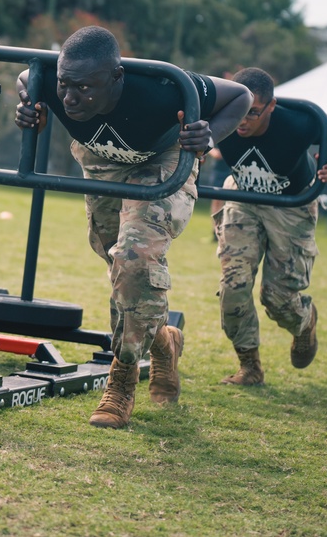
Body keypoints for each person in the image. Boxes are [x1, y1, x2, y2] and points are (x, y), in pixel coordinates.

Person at [15, 25, 251, 429]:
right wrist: (29, 106)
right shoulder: (53, 83)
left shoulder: (162, 87)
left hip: (159, 161)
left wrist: (209, 135)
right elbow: (26, 78)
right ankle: (164, 341)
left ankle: (121, 381)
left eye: (86, 88)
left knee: (133, 259)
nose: (70, 97)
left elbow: (240, 96)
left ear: (116, 77)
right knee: (122, 271)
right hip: (101, 160)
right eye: (64, 85)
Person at [211, 66, 327, 386]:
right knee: (233, 288)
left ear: (271, 106)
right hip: (243, 198)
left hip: (291, 206)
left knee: (278, 299)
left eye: (253, 112)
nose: (242, 120)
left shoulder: (296, 121)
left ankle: (304, 322)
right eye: (238, 110)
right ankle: (250, 367)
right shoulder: (219, 112)